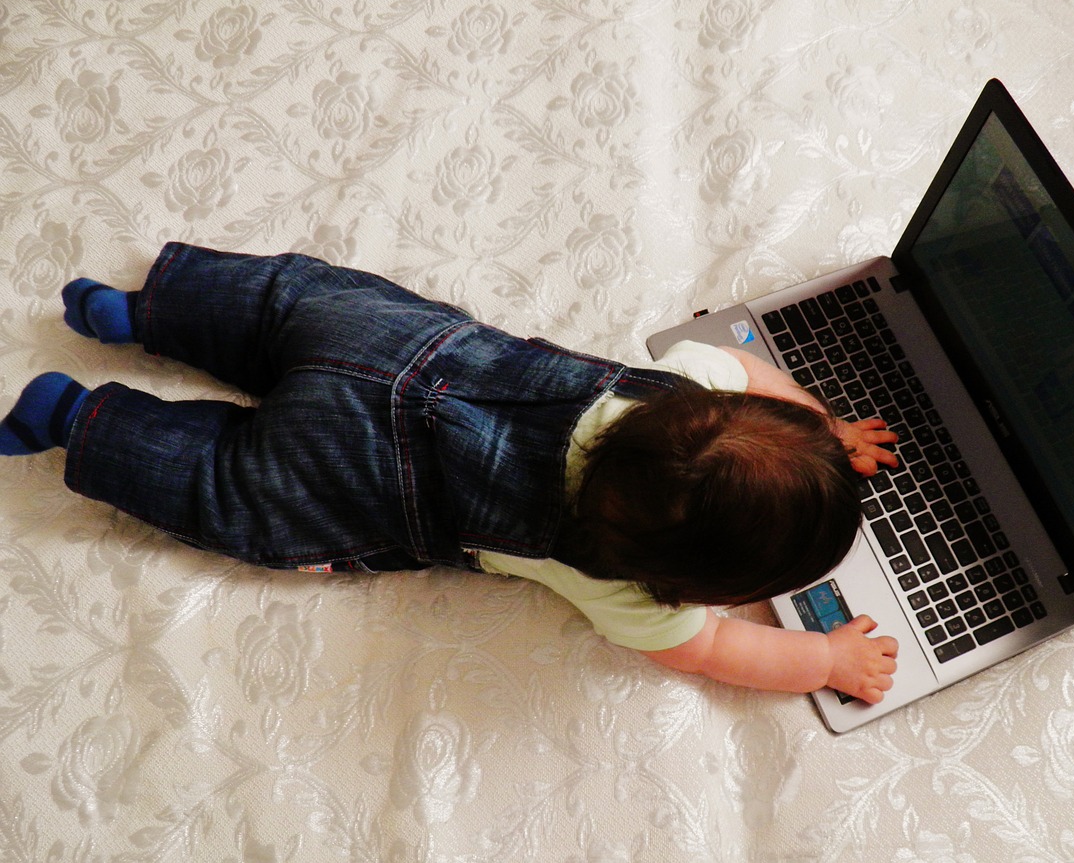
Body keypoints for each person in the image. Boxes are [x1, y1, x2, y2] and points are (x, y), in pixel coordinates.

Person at [0, 243, 901, 703]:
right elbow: (717, 651)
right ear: (682, 582)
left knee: (289, 305)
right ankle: (78, 422)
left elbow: (759, 382)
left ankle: (136, 309)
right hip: (350, 470)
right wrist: (823, 656)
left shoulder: (699, 380)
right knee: (231, 487)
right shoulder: (633, 600)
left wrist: (819, 429)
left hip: (389, 345)